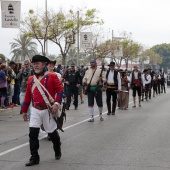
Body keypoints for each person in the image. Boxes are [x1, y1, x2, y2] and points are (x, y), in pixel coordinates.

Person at [22, 55, 63, 166]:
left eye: (38, 63)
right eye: (34, 63)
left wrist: (56, 104)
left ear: (44, 64)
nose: (35, 65)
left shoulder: (52, 76)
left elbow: (60, 91)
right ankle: (34, 157)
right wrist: (24, 110)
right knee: (33, 134)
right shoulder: (31, 79)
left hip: (48, 110)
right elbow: (27, 96)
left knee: (52, 132)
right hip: (35, 109)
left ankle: (57, 148)